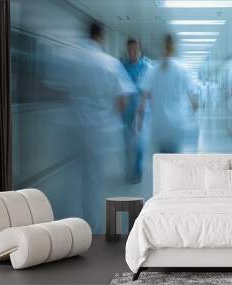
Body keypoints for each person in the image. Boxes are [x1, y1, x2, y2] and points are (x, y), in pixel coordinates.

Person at [70, 22, 136, 233]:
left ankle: (69, 218)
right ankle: (91, 222)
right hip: (99, 129)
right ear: (101, 37)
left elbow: (54, 90)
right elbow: (123, 99)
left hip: (74, 126)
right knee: (93, 175)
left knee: (76, 172)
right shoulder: (110, 63)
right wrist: (110, 115)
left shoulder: (72, 58)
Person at [138, 34, 198, 153]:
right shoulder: (184, 70)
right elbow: (195, 104)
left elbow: (143, 101)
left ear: (162, 47)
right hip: (177, 123)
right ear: (174, 47)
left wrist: (140, 122)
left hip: (159, 124)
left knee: (162, 157)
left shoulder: (152, 70)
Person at [120, 37, 151, 183]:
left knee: (139, 140)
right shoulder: (122, 67)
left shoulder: (146, 67)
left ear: (140, 50)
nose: (132, 52)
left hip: (141, 107)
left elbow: (150, 90)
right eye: (130, 50)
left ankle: (137, 170)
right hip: (126, 109)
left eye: (135, 50)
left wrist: (144, 104)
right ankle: (128, 168)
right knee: (127, 140)